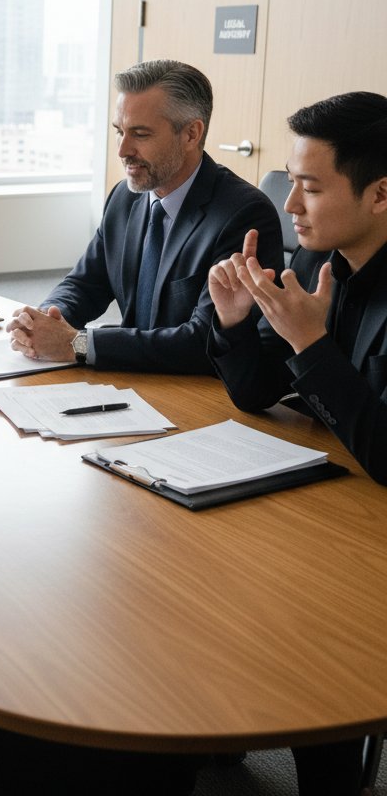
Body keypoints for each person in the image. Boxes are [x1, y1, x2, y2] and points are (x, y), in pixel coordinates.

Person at [207, 90, 387, 796]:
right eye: (289, 183)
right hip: (344, 511)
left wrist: (310, 343)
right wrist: (234, 324)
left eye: (310, 188)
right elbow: (265, 395)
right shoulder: (333, 267)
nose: (289, 206)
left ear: (380, 194)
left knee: (314, 616)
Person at [6, 59, 284, 374]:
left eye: (140, 134)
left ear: (191, 134)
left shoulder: (244, 215)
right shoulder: (125, 197)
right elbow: (87, 283)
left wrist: (77, 344)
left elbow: (204, 341)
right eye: (119, 131)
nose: (123, 149)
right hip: (134, 379)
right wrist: (42, 321)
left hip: (197, 393)